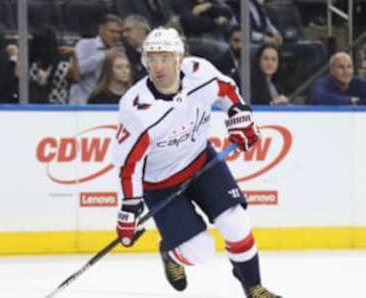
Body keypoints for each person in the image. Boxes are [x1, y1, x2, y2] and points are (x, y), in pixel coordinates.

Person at [112, 27, 281, 298]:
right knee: (200, 252)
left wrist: (240, 116)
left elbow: (227, 90)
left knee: (236, 222)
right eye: (152, 59)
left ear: (179, 58)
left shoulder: (199, 72)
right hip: (160, 184)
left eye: (165, 58)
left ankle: (253, 287)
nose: (158, 66)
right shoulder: (136, 108)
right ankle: (170, 253)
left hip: (202, 162)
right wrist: (129, 207)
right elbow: (129, 165)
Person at [69, 14, 123, 105]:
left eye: (118, 33)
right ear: (101, 29)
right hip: (83, 104)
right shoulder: (85, 45)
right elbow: (77, 70)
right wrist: (103, 56)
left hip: (108, 104)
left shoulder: (119, 50)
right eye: (112, 31)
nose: (116, 36)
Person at [29, 26, 80, 104]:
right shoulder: (63, 64)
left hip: (37, 108)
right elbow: (76, 79)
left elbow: (76, 79)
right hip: (58, 108)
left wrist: (74, 56)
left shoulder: (30, 65)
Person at [122, 15, 150, 83]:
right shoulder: (127, 57)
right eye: (123, 32)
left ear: (142, 30)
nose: (124, 35)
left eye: (128, 30)